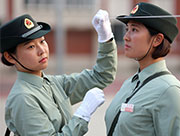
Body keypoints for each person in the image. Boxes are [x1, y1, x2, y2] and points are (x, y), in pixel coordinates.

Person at [0, 9, 117, 136]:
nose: (41, 50)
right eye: (31, 47)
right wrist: (82, 115)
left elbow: (101, 76)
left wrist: (105, 38)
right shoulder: (23, 98)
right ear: (10, 57)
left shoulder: (54, 83)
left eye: (42, 41)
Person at [105, 2, 180, 136]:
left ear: (157, 40)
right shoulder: (130, 83)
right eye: (127, 29)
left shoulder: (169, 90)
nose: (126, 37)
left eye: (134, 30)